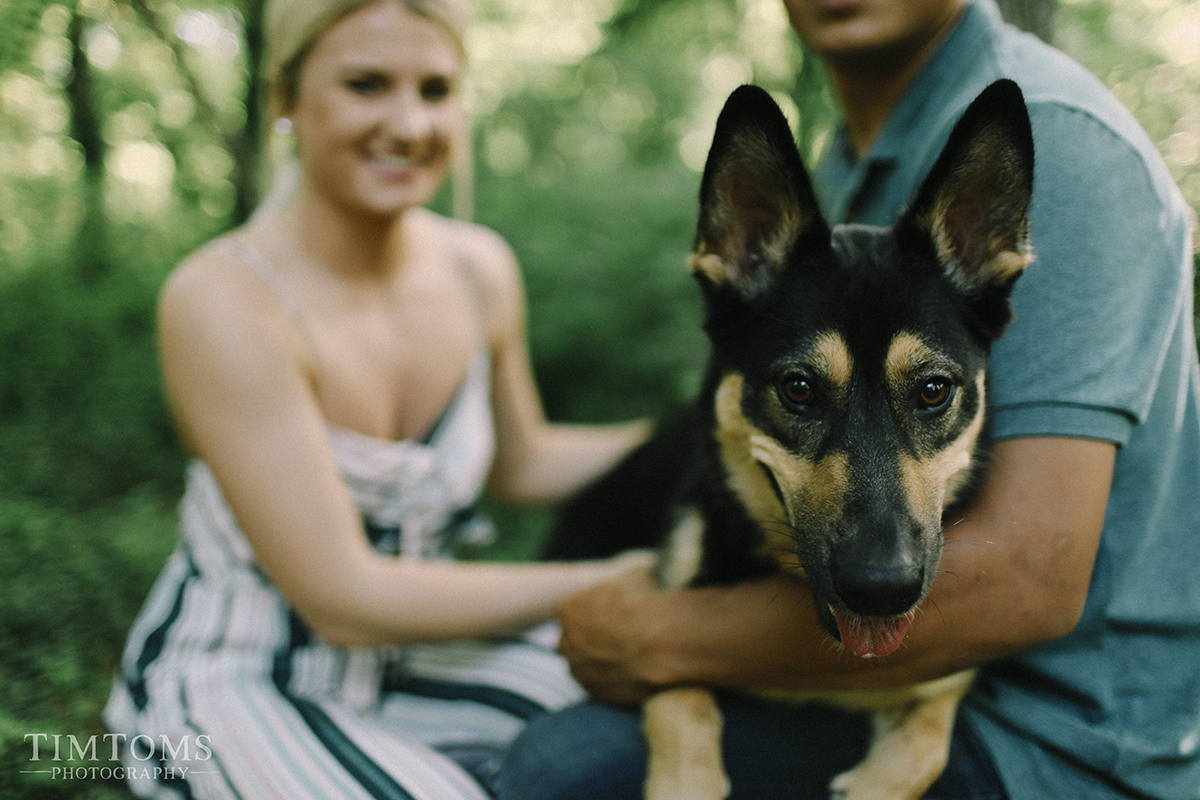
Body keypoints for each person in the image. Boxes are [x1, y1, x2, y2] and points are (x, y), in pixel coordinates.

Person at [497, 1, 1200, 799]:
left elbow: (1030, 575)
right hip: (933, 685)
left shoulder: (1066, 138)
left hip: (1059, 733)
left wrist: (657, 637)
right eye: (803, 390)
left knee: (563, 768)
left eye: (931, 393)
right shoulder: (847, 158)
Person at [102, 0, 655, 797]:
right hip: (243, 675)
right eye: (366, 85)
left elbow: (521, 460)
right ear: (283, 99)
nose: (408, 123)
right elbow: (346, 598)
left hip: (420, 657)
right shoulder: (221, 298)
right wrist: (612, 579)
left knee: (645, 713)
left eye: (435, 90)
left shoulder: (479, 269)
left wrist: (695, 432)